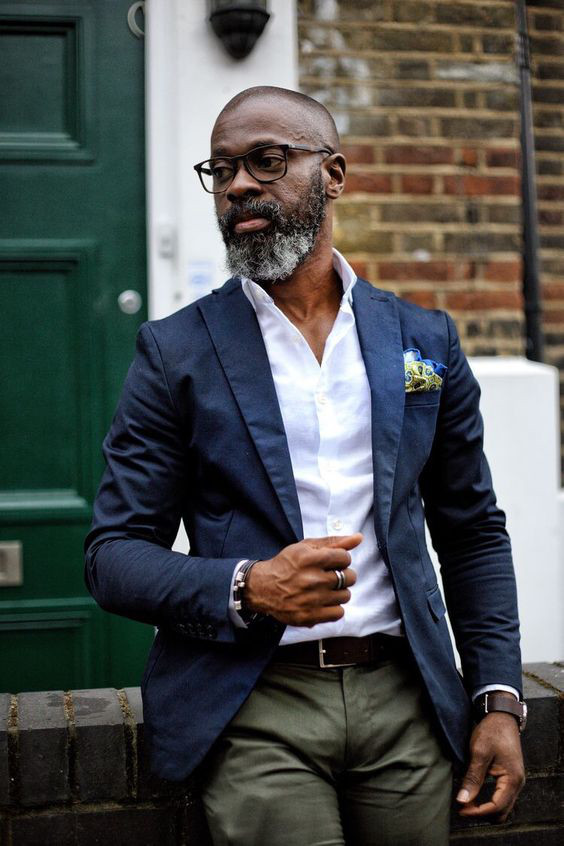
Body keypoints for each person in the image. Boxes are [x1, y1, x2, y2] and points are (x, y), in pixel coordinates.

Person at [85, 86, 526, 845]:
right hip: (255, 699)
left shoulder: (423, 340)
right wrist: (248, 585)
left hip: (407, 698)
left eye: (266, 160)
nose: (238, 186)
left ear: (334, 174)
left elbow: (472, 531)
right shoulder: (176, 352)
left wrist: (497, 698)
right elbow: (113, 555)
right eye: (221, 170)